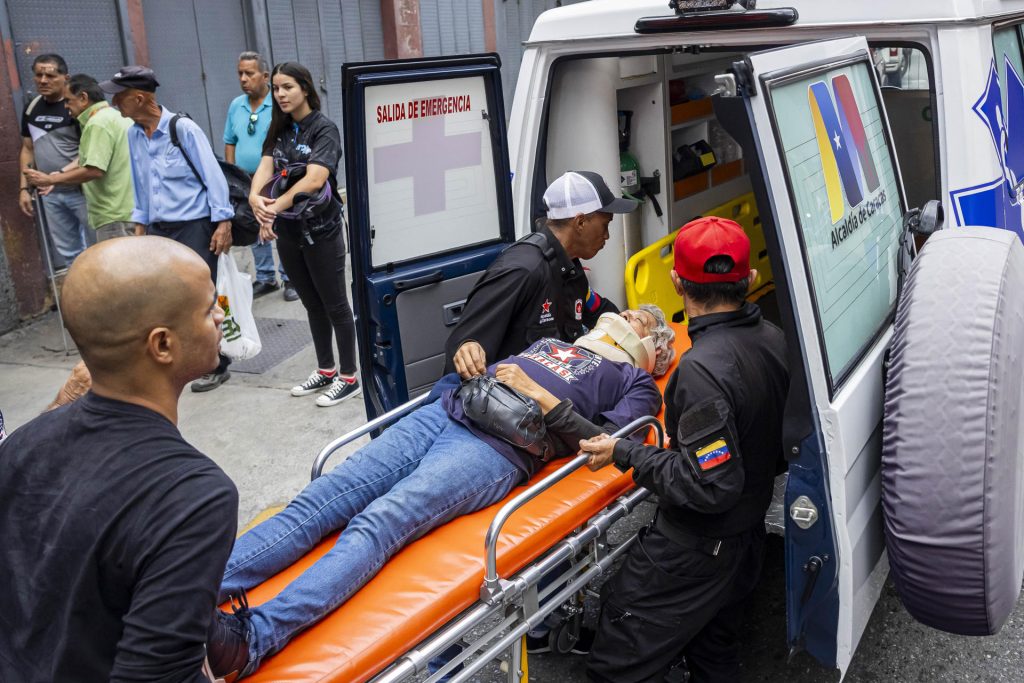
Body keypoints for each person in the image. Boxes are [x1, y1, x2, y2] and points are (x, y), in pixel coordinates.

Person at [205, 305, 675, 679]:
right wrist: (471, 354)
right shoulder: (553, 342)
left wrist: (541, 394)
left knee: (380, 521)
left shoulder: (635, 382)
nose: (629, 315)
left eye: (642, 319)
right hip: (447, 409)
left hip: (497, 449)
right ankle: (195, 591)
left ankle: (251, 639)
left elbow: (603, 447)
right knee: (324, 496)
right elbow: (488, 363)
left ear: (651, 346)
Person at [0, 236, 239, 682]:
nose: (222, 315)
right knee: (366, 532)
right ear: (162, 345)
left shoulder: (25, 442)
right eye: (209, 309)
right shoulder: (195, 496)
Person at [581, 217, 790, 683]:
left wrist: (625, 452)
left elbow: (710, 485)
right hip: (745, 541)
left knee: (618, 664)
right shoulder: (774, 339)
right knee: (714, 652)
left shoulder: (702, 371)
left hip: (694, 553)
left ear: (676, 282)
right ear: (750, 279)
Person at [101, 65, 235, 393]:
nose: (114, 103)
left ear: (139, 97)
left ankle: (218, 361)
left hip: (195, 228)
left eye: (118, 96)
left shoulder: (182, 129)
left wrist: (223, 222)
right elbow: (140, 182)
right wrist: (139, 227)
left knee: (205, 296)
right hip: (159, 230)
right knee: (165, 297)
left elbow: (212, 176)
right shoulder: (133, 134)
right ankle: (183, 356)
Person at [445, 170, 635, 379]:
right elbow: (464, 347)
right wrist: (468, 345)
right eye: (605, 225)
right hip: (511, 402)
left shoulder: (570, 267)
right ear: (580, 222)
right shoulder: (522, 270)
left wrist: (633, 323)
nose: (607, 235)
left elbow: (596, 310)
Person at [248, 61, 359, 407]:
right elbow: (264, 169)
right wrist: (255, 199)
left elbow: (315, 179)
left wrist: (272, 206)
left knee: (336, 305)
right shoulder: (279, 128)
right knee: (312, 304)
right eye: (277, 88)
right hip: (290, 232)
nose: (280, 94)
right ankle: (325, 370)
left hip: (321, 230)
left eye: (287, 87)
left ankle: (349, 376)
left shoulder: (323, 129)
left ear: (306, 89)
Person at [24, 74, 134, 242]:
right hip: (130, 211)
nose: (66, 107)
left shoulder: (97, 123)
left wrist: (51, 180)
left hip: (115, 216)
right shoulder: (115, 116)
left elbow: (94, 170)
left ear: (83, 98)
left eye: (68, 100)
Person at [224, 51, 295, 301]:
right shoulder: (236, 106)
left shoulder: (278, 104)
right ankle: (266, 277)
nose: (243, 79)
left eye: (249, 73)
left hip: (276, 178)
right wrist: (232, 175)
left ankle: (290, 278)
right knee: (253, 225)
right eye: (240, 73)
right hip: (245, 179)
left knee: (281, 226)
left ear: (264, 76)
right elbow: (230, 141)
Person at [18, 53, 91, 268]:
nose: (43, 80)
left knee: (101, 247)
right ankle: (80, 298)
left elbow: (91, 152)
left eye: (50, 75)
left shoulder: (77, 106)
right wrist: (24, 189)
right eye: (38, 75)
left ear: (65, 77)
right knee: (69, 253)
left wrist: (58, 177)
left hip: (83, 191)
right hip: (49, 194)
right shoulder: (32, 107)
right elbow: (27, 148)